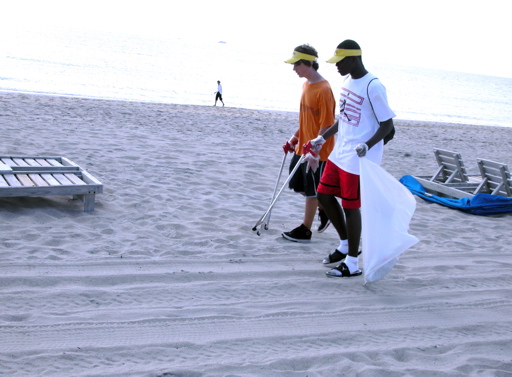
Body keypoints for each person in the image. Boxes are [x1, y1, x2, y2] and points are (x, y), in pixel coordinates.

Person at [305, 39, 395, 276]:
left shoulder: (373, 86)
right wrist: (322, 138)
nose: (336, 66)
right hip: (340, 152)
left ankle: (353, 263)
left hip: (358, 159)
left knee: (350, 206)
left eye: (340, 61)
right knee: (324, 195)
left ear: (354, 59)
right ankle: (345, 246)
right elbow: (343, 119)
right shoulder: (347, 81)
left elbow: (388, 125)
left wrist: (368, 145)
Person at [281, 44, 336, 243]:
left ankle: (305, 230)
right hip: (301, 146)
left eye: (297, 64)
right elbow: (307, 120)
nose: (294, 68)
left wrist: (315, 147)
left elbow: (327, 124)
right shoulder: (306, 85)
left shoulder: (324, 89)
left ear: (309, 63)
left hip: (317, 150)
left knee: (312, 190)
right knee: (297, 184)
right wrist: (294, 138)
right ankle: (325, 210)